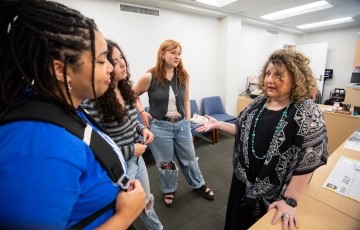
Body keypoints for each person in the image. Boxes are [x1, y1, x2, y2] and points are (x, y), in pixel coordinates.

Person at [0, 1, 145, 229]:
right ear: (60, 69)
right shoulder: (40, 150)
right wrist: (125, 216)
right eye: (100, 60)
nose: (110, 68)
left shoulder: (61, 107)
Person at [196, 49, 328, 230]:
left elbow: (310, 158)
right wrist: (218, 125)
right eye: (267, 73)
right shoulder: (258, 103)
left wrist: (290, 200)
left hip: (275, 196)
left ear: (296, 78)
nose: (269, 80)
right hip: (242, 184)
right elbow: (240, 130)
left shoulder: (307, 112)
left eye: (278, 75)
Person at [82, 40, 163, 230]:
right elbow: (96, 148)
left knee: (146, 202)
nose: (122, 64)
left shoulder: (125, 89)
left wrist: (142, 129)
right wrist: (131, 150)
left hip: (137, 160)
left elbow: (131, 120)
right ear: (106, 66)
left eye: (122, 58)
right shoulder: (94, 102)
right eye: (114, 60)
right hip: (120, 167)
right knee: (124, 213)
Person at [132, 39, 215, 208]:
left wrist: (188, 119)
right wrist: (142, 112)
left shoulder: (182, 75)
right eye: (173, 52)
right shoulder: (150, 76)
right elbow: (132, 95)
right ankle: (169, 189)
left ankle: (198, 184)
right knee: (166, 163)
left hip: (182, 125)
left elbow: (186, 98)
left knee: (190, 159)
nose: (177, 56)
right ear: (162, 54)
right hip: (160, 127)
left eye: (179, 53)